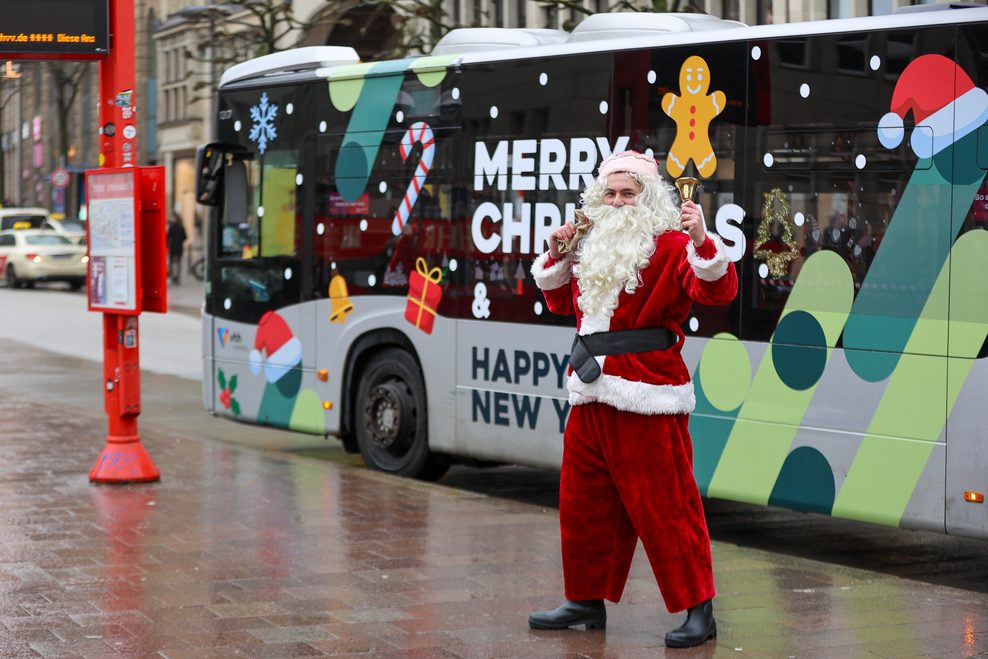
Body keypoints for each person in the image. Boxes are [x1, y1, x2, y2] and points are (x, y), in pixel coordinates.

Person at [528, 150, 738, 648]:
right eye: (612, 193)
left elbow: (717, 291)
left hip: (647, 392)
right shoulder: (591, 243)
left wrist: (701, 239)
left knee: (666, 506)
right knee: (582, 503)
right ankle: (584, 599)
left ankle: (698, 609)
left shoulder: (668, 245)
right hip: (591, 388)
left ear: (648, 199)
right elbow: (563, 303)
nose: (619, 202)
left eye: (629, 193)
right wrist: (558, 255)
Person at [167, 213, 187, 285]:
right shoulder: (181, 227)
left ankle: (173, 277)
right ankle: (177, 278)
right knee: (178, 263)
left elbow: (168, 237)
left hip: (172, 247)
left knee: (172, 263)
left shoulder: (172, 227)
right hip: (179, 247)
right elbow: (185, 237)